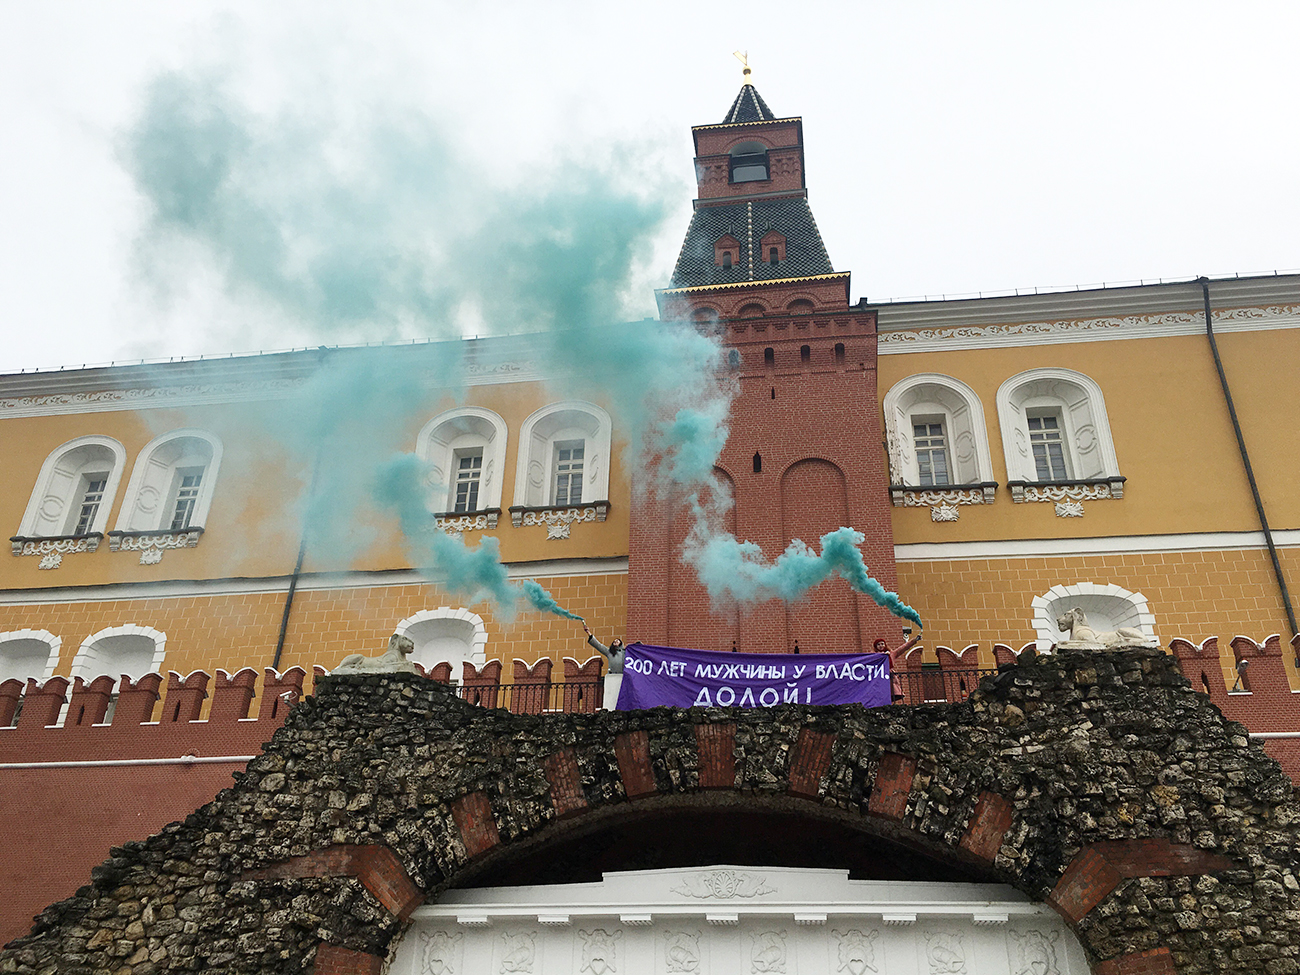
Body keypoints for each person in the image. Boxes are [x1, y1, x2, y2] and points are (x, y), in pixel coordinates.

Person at [582, 623, 625, 711]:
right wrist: (588, 633)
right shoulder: (609, 652)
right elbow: (598, 645)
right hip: (612, 676)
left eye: (617, 641)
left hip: (622, 676)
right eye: (614, 641)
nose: (615, 642)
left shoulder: (625, 653)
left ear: (621, 643)